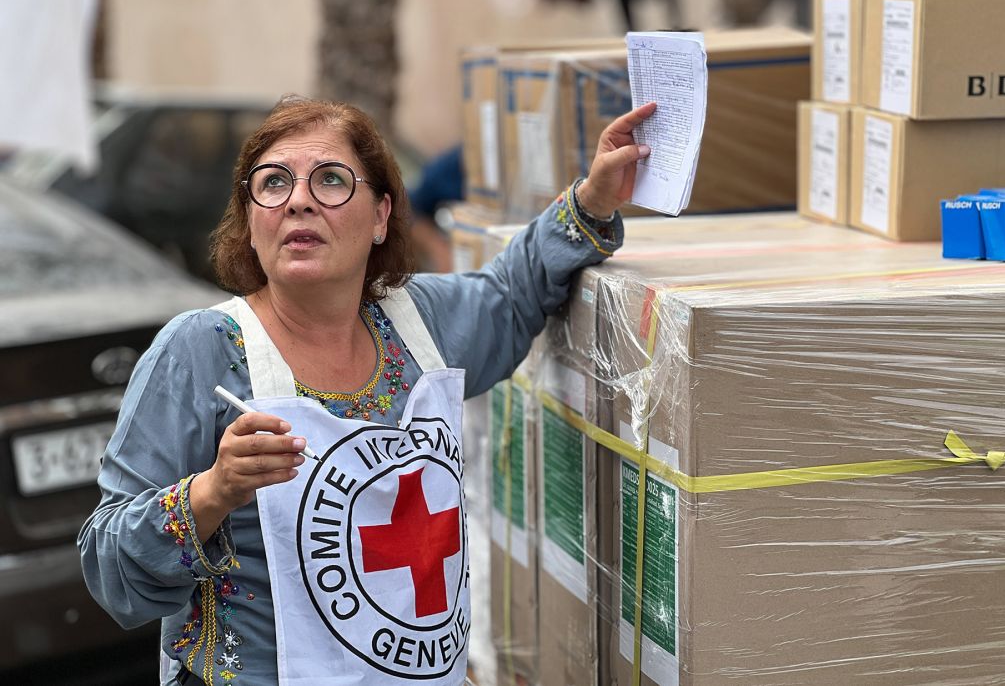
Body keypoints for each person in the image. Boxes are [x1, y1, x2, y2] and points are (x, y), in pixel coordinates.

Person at [79, 94, 655, 685]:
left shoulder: (422, 323)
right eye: (273, 184)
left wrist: (594, 197)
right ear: (250, 221)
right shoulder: (198, 352)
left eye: (330, 180)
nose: (298, 199)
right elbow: (107, 567)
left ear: (381, 216)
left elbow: (515, 293)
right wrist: (213, 491)